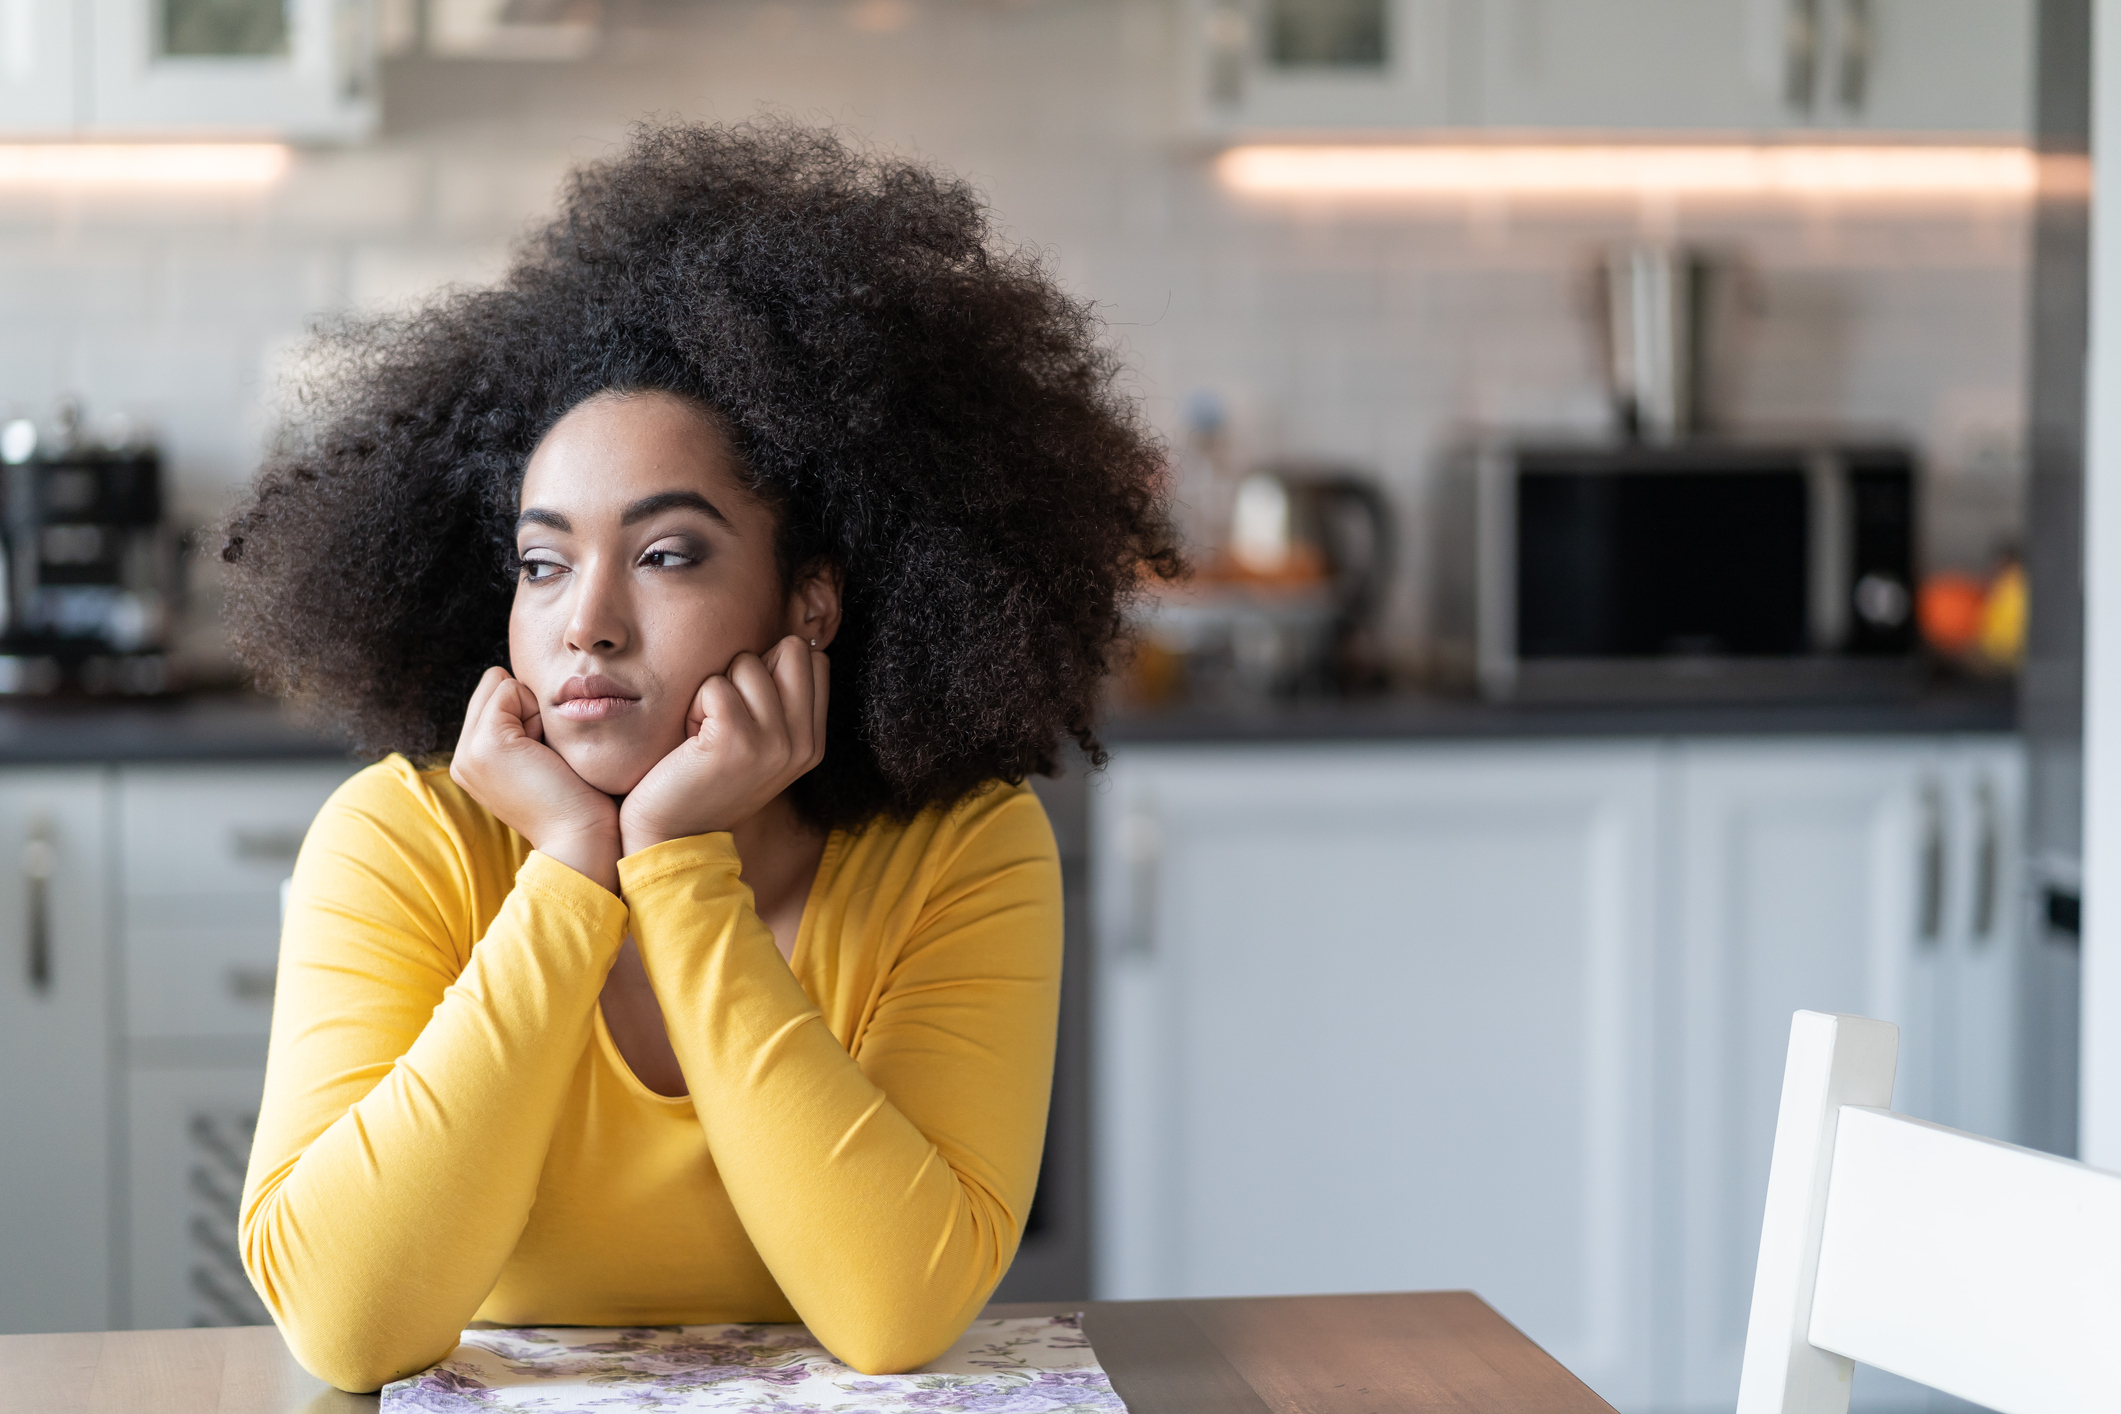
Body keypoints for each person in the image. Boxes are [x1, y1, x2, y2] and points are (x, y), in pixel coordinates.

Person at [222, 119, 1177, 1394]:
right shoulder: (405, 837)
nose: (588, 621)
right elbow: (346, 1325)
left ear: (811, 604)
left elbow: (895, 1310)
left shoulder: (961, 850)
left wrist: (673, 864)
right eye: (543, 563)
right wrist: (570, 871)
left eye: (667, 554)